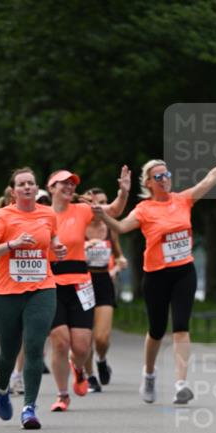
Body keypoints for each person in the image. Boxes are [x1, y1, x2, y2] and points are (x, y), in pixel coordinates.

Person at [97, 131, 216, 405]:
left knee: (181, 326)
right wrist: (103, 216)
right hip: (155, 275)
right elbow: (120, 228)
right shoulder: (143, 210)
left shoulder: (184, 199)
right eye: (159, 176)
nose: (165, 179)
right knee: (156, 330)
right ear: (149, 183)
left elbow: (212, 178)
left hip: (183, 271)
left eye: (167, 175)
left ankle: (181, 384)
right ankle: (149, 374)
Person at [0, 167, 67, 429]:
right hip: (6, 292)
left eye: (31, 183)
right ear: (13, 191)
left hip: (42, 288)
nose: (27, 187)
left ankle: (29, 408)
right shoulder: (2, 216)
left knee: (34, 345)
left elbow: (53, 242)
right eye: (22, 184)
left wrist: (57, 250)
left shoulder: (48, 214)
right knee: (8, 351)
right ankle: (2, 388)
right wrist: (11, 245)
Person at [47, 166, 130, 412]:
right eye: (64, 183)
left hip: (81, 284)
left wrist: (123, 192)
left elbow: (114, 211)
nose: (69, 187)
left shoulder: (82, 210)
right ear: (51, 187)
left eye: (72, 184)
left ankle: (79, 369)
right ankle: (62, 395)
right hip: (51, 285)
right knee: (60, 342)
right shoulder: (42, 215)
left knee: (81, 346)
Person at [83, 186, 128, 392]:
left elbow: (119, 255)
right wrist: (84, 249)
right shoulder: (78, 227)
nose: (99, 206)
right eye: (95, 202)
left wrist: (118, 265)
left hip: (103, 281)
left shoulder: (109, 228)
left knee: (101, 337)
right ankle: (90, 376)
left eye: (103, 201)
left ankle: (101, 359)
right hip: (82, 281)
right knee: (84, 337)